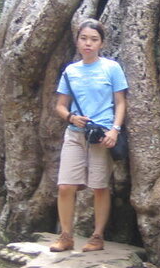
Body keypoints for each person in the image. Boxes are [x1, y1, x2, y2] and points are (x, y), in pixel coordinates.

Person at [50, 19, 128, 252]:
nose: (88, 43)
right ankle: (66, 236)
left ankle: (97, 236)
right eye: (84, 38)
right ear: (77, 40)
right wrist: (71, 117)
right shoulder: (70, 71)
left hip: (102, 135)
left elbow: (120, 102)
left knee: (99, 186)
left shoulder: (111, 68)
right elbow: (60, 106)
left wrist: (115, 129)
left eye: (94, 39)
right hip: (75, 133)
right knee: (65, 185)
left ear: (101, 43)